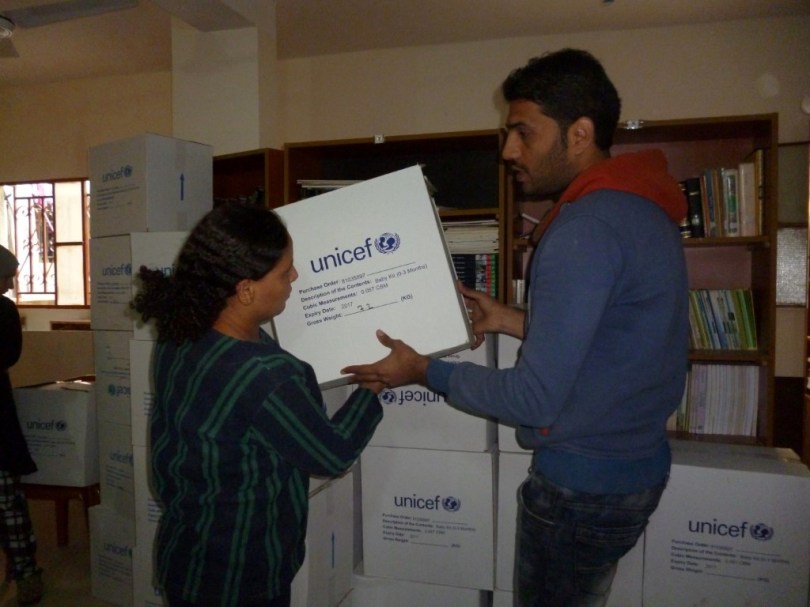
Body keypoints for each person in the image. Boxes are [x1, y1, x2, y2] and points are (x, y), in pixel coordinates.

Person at [342, 48, 689, 607]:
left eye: (523, 132)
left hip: (581, 486)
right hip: (631, 468)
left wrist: (423, 370)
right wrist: (507, 318)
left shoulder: (585, 228)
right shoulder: (642, 209)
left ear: (579, 133)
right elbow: (614, 337)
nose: (508, 150)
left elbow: (532, 399)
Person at [131, 202, 384, 607]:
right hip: (239, 573)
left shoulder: (181, 331)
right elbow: (332, 454)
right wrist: (373, 388)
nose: (295, 277)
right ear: (246, 289)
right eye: (285, 272)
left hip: (187, 552)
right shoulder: (263, 375)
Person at [0, 245, 44, 606]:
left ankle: (25, 575)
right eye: (7, 276)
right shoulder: (3, 310)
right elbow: (9, 355)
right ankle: (26, 574)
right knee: (9, 504)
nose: (12, 284)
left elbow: (8, 354)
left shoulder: (4, 308)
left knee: (7, 502)